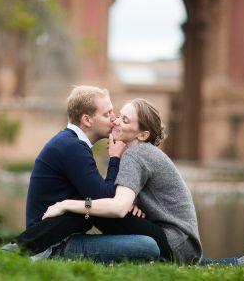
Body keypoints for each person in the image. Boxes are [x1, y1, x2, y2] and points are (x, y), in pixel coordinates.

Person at [41, 98, 244, 266]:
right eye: (119, 115)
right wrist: (132, 203)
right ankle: (237, 262)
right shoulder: (137, 151)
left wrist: (66, 204)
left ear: (143, 135)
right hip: (180, 240)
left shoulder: (137, 154)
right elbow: (120, 198)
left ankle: (41, 247)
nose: (115, 121)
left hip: (175, 241)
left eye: (125, 120)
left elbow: (116, 207)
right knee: (103, 207)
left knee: (102, 211)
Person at [14, 86, 161, 261]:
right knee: (147, 246)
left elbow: (99, 198)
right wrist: (115, 158)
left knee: (146, 242)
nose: (114, 119)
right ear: (87, 120)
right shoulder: (72, 147)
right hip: (51, 244)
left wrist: (131, 200)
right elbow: (104, 196)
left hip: (65, 236)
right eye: (107, 114)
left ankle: (182, 255)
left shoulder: (71, 143)